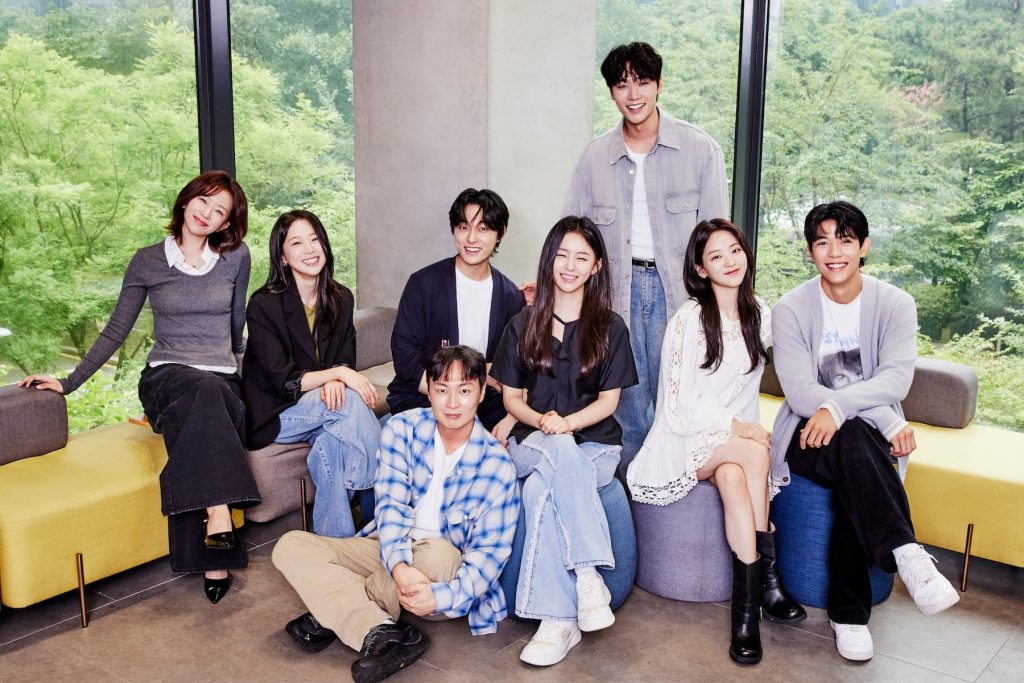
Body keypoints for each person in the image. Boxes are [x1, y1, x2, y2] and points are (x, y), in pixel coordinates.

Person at [20, 170, 260, 603]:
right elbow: (117, 328)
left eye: (219, 210)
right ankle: (220, 514)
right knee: (204, 393)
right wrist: (69, 382)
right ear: (186, 200)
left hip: (220, 377)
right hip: (167, 375)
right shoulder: (148, 260)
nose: (207, 213)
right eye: (203, 200)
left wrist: (247, 378)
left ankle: (211, 547)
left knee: (208, 398)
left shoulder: (236, 258)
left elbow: (236, 323)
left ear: (226, 223)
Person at [771, 201, 959, 662]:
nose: (834, 252)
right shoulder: (790, 308)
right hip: (806, 436)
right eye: (822, 242)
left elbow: (896, 379)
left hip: (863, 437)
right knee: (854, 445)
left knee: (854, 452)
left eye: (845, 240)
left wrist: (840, 407)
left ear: (864, 247)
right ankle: (904, 557)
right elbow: (799, 392)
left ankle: (852, 614)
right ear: (811, 251)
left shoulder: (895, 304)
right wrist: (888, 420)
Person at [272, 345, 519, 683]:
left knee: (435, 556)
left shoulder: (497, 465)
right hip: (388, 546)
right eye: (442, 390)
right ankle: (378, 628)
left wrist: (440, 596)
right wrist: (399, 566)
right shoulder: (402, 429)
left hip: (442, 571)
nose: (451, 403)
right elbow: (391, 508)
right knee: (291, 546)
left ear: (479, 394)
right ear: (428, 391)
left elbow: (489, 559)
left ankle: (335, 609)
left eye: (464, 391)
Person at [627, 219, 805, 665]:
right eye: (716, 256)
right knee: (755, 450)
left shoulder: (758, 313)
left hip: (729, 447)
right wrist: (738, 427)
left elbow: (795, 350)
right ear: (701, 269)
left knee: (733, 477)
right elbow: (676, 407)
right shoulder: (688, 320)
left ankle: (745, 617)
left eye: (735, 250)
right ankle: (769, 583)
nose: (729, 261)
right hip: (680, 438)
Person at [563, 41, 730, 472]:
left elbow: (719, 241)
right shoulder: (594, 158)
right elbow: (572, 236)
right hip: (614, 293)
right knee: (626, 410)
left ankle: (675, 497)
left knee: (679, 404)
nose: (633, 94)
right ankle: (632, 500)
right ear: (611, 92)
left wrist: (720, 306)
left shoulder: (700, 149)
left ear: (659, 84)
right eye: (622, 85)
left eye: (642, 82)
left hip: (681, 294)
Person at [490, 216, 638, 667]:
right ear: (549, 259)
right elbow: (511, 399)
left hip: (595, 445)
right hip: (531, 440)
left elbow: (609, 403)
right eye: (562, 255)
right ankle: (588, 575)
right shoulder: (522, 324)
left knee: (540, 490)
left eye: (581, 257)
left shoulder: (610, 327)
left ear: (596, 266)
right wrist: (544, 422)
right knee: (555, 449)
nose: (570, 266)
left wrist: (567, 424)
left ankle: (557, 622)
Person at [242, 209, 381, 538]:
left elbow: (344, 359)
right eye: (296, 243)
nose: (309, 249)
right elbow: (285, 380)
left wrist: (336, 375)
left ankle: (334, 542)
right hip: (278, 414)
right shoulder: (263, 305)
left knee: (331, 446)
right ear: (283, 256)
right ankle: (381, 501)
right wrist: (337, 375)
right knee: (349, 402)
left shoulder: (341, 298)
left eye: (314, 239)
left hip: (322, 406)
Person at [387, 188, 526, 441]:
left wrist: (509, 414)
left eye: (483, 228)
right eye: (463, 227)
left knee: (521, 441)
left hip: (484, 401)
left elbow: (514, 369)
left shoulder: (511, 297)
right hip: (423, 396)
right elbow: (405, 358)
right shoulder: (423, 284)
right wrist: (452, 399)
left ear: (501, 233)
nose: (471, 238)